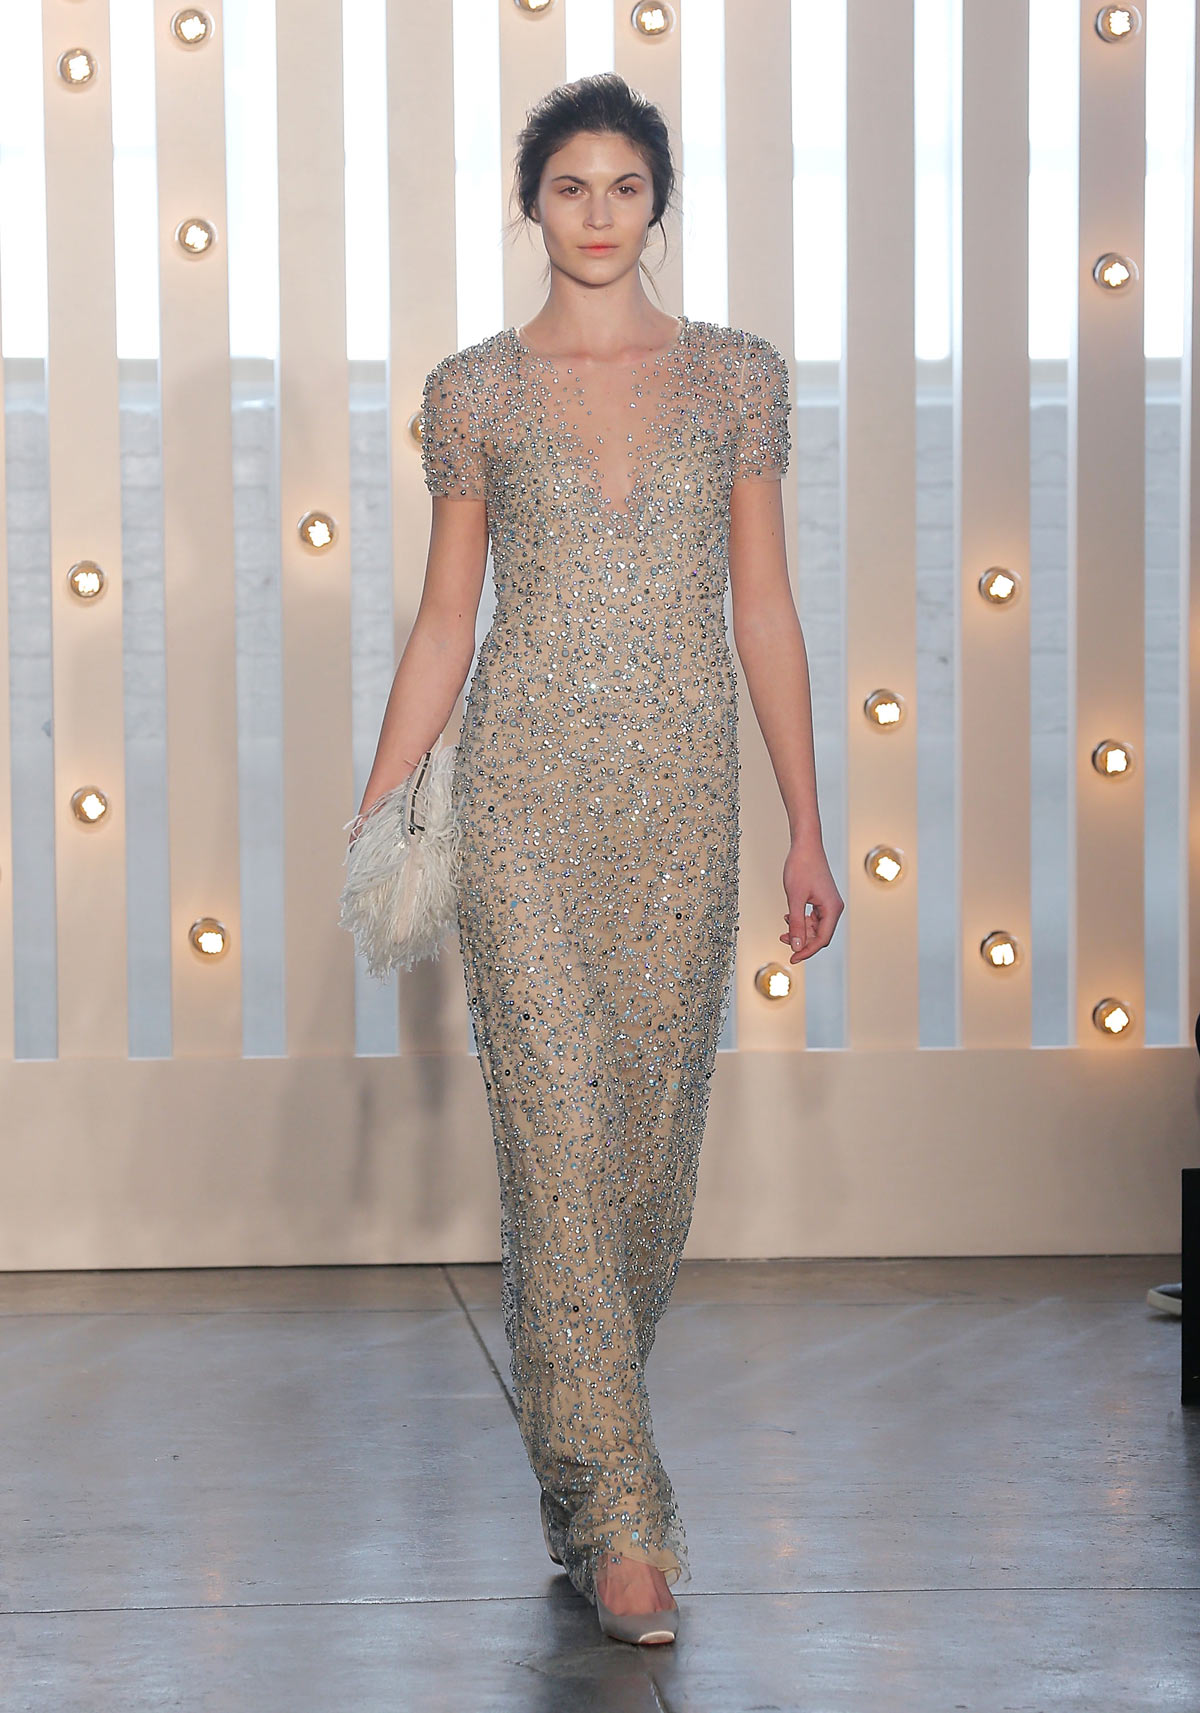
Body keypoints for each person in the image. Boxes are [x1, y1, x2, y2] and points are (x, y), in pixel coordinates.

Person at [353, 71, 843, 1644]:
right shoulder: (475, 394)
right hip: (523, 807)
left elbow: (763, 607)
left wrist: (809, 826)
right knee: (555, 1142)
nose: (599, 211)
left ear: (657, 202)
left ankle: (578, 1484)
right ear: (533, 203)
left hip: (686, 803)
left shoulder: (736, 383)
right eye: (572, 185)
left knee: (641, 1167)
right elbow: (447, 617)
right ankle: (629, 1527)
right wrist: (385, 803)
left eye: (627, 185)